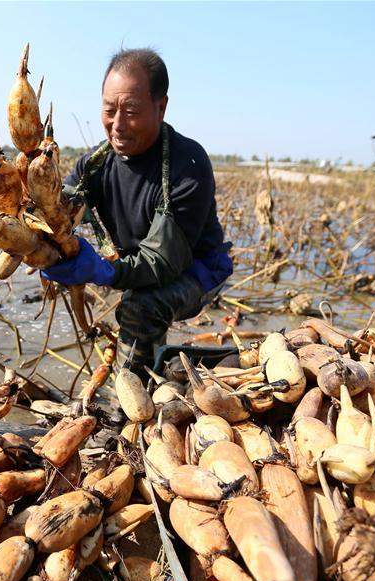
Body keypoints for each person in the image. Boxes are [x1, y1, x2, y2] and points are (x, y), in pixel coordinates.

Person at [40, 48, 233, 379]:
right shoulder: (94, 165)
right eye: (108, 110)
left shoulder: (187, 166)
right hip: (141, 264)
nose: (117, 125)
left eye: (130, 111)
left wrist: (102, 271)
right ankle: (164, 369)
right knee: (139, 306)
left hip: (197, 270)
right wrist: (43, 239)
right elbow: (61, 206)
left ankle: (130, 407)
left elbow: (161, 263)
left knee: (142, 306)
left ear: (161, 107)